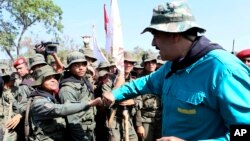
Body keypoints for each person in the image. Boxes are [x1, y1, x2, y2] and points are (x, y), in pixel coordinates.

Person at [102, 0, 250, 141]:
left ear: (174, 35)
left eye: (156, 36)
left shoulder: (224, 70)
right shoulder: (173, 66)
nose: (153, 43)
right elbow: (145, 82)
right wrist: (115, 94)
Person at [27, 65, 102, 141]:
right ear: (40, 83)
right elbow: (62, 109)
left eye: (54, 77)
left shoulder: (50, 97)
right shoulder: (38, 102)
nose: (53, 80)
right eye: (48, 78)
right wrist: (88, 103)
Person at [59, 51, 97, 141]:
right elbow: (72, 120)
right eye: (76, 65)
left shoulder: (84, 81)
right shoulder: (67, 88)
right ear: (70, 68)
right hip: (78, 133)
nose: (81, 68)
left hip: (89, 129)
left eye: (83, 65)